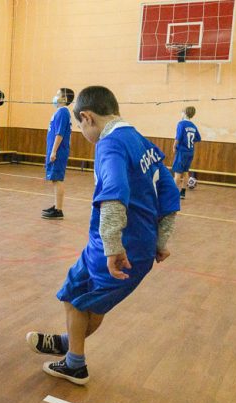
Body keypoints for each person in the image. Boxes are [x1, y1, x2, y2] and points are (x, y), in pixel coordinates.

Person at [25, 86, 180, 385]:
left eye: (79, 126)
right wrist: (160, 241)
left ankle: (74, 363)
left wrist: (112, 247)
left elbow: (113, 197)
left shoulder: (109, 145)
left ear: (87, 117)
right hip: (137, 245)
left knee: (79, 299)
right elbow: (170, 196)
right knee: (85, 297)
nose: (81, 131)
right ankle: (68, 343)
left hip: (115, 245)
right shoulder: (142, 142)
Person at [42, 88, 74, 220]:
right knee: (54, 178)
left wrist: (54, 151)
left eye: (58, 94)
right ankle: (56, 206)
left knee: (58, 179)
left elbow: (59, 134)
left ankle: (59, 210)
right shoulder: (60, 112)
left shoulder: (63, 112)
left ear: (65, 99)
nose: (55, 97)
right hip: (54, 149)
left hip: (58, 151)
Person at [172, 106, 201, 199]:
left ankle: (172, 193)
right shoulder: (193, 126)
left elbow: (178, 136)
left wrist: (174, 146)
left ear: (184, 113)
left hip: (182, 152)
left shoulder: (181, 123)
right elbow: (198, 138)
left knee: (177, 174)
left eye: (182, 112)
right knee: (185, 172)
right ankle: (183, 193)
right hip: (190, 151)